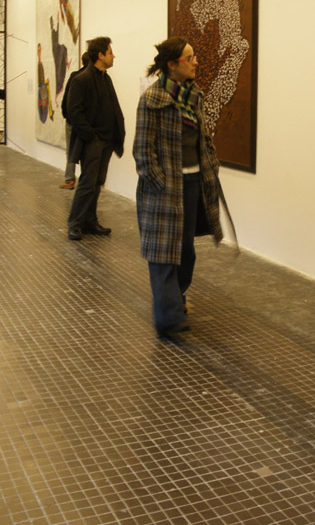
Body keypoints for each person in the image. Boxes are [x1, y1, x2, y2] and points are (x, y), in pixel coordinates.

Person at [133, 37, 230, 339]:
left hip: (193, 184)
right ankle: (169, 318)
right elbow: (142, 151)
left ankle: (176, 298)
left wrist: (211, 164)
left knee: (185, 251)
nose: (196, 61)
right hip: (164, 190)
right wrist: (160, 183)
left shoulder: (193, 95)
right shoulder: (152, 99)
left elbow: (203, 138)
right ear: (172, 64)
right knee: (163, 254)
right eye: (190, 57)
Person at [66, 37, 125, 241]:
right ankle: (75, 223)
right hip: (93, 140)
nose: (113, 56)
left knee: (97, 182)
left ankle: (90, 221)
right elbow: (73, 111)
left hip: (106, 141)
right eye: (110, 52)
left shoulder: (105, 78)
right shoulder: (81, 79)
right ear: (100, 55)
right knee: (87, 182)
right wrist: (90, 136)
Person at [59, 51, 89, 189]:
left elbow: (67, 97)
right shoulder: (95, 78)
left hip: (72, 120)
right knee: (86, 151)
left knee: (71, 150)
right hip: (86, 122)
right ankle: (85, 180)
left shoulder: (75, 76)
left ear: (82, 62)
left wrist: (66, 114)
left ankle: (70, 179)